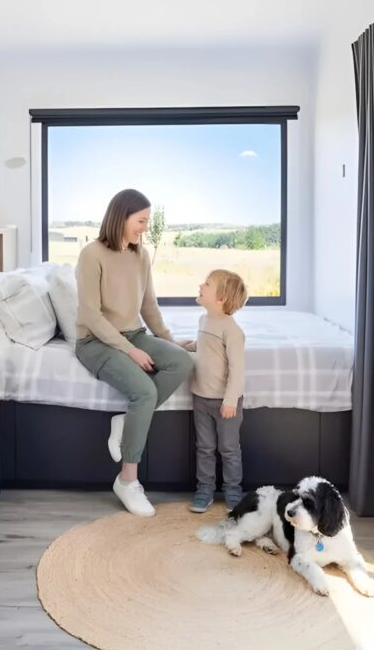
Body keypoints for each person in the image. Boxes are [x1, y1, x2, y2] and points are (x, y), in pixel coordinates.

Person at [75, 189, 193, 517]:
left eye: (147, 221)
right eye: (140, 220)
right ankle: (127, 480)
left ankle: (125, 424)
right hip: (94, 341)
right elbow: (90, 315)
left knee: (183, 361)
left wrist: (168, 341)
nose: (145, 227)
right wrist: (129, 351)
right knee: (143, 390)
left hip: (133, 333)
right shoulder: (92, 254)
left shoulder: (141, 255)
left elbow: (148, 306)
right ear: (121, 217)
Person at [188, 268, 248, 513]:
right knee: (204, 447)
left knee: (229, 449)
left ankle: (233, 492)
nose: (201, 286)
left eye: (207, 284)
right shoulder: (204, 320)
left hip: (226, 402)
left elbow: (237, 370)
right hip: (201, 397)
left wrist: (230, 400)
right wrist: (186, 346)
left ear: (221, 298)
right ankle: (205, 490)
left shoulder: (232, 330)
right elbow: (203, 346)